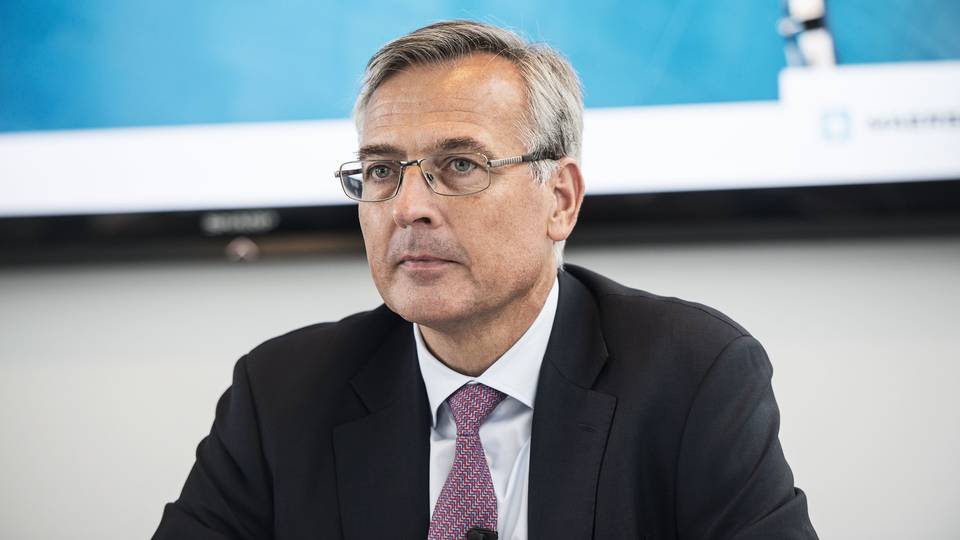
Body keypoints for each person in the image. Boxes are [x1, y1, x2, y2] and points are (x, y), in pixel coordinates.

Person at [154, 20, 817, 540]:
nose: (408, 208)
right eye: (381, 171)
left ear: (560, 199)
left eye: (461, 165)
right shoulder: (281, 393)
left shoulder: (693, 375)